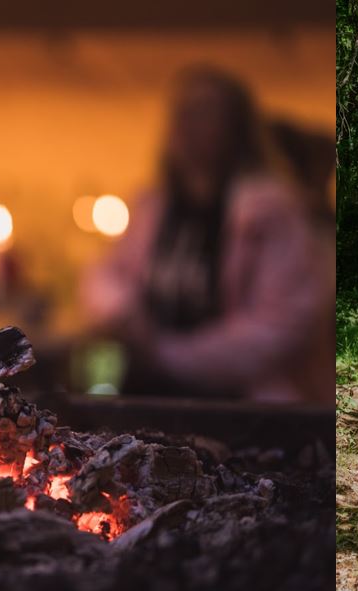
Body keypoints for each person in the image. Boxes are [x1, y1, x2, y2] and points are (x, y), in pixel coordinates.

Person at [80, 66, 332, 404]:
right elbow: (106, 274)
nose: (188, 124)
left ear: (236, 128)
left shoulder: (272, 213)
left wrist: (168, 356)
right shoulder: (153, 207)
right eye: (182, 111)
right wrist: (123, 315)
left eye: (204, 112)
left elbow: (280, 326)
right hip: (152, 397)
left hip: (243, 409)